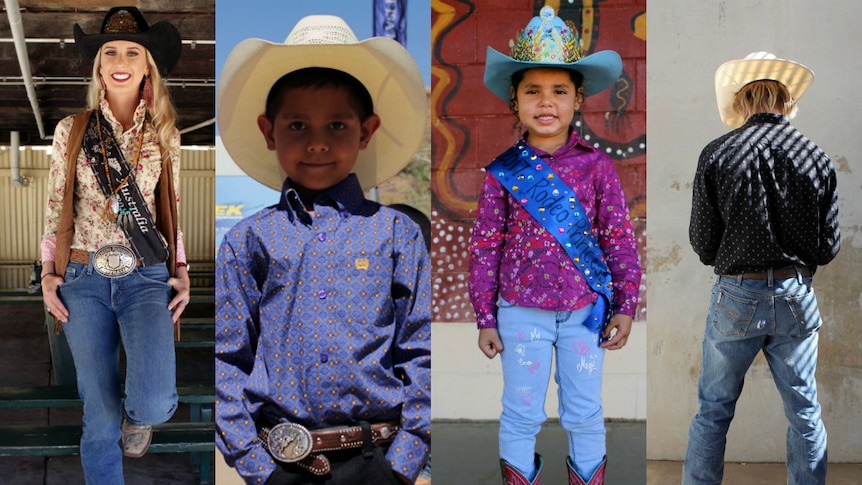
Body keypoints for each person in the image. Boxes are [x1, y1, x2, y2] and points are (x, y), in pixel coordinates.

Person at [215, 14, 430, 485]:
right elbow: (227, 358)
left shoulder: (397, 234)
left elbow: (419, 347)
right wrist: (256, 465)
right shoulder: (246, 242)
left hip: (380, 459)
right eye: (296, 125)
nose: (316, 143)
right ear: (269, 132)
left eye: (337, 124)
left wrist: (406, 459)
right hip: (281, 464)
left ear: (366, 130)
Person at [469, 6, 642, 485]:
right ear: (515, 101)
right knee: (522, 415)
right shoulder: (502, 172)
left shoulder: (598, 167)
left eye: (559, 91)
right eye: (533, 91)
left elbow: (619, 240)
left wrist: (625, 305)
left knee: (584, 413)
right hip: (520, 312)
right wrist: (485, 316)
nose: (546, 102)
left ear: (578, 99)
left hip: (586, 312)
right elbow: (485, 247)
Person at [39, 6, 190, 483]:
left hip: (145, 276)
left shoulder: (165, 136)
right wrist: (46, 275)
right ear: (99, 65)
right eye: (110, 52)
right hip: (82, 278)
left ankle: (139, 418)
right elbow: (54, 208)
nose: (120, 59)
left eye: (132, 51)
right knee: (99, 413)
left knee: (153, 400)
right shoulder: (72, 130)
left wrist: (181, 268)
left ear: (147, 65)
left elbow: (173, 211)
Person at [683, 52, 840, 485]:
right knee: (804, 412)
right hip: (796, 294)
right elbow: (828, 247)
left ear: (742, 100)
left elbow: (702, 241)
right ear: (787, 102)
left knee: (713, 411)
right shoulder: (817, 157)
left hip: (737, 294)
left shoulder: (717, 153)